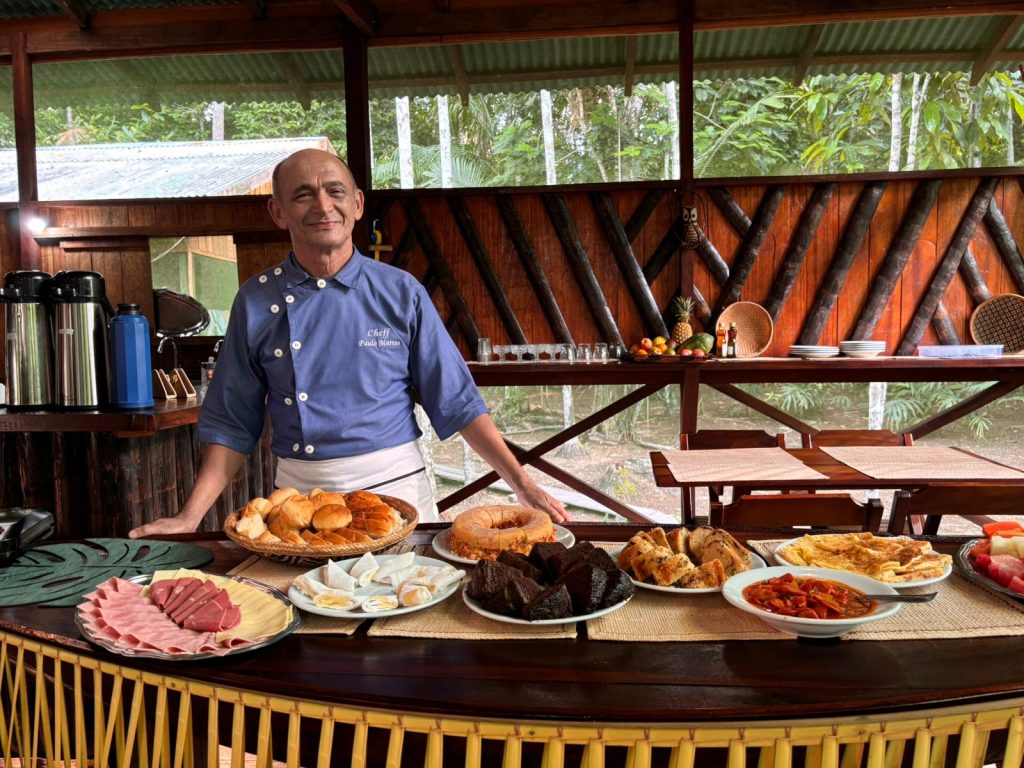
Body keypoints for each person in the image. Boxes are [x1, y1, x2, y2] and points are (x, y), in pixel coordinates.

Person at [129, 148, 566, 538]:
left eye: (334, 191)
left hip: (397, 492)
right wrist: (189, 517)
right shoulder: (256, 299)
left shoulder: (401, 292)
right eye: (302, 195)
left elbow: (458, 403)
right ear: (278, 211)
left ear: (356, 204)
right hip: (297, 504)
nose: (322, 205)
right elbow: (231, 422)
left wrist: (523, 485)